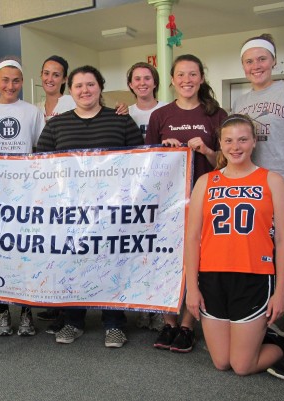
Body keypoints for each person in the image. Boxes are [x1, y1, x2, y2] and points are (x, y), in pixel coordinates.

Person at [37, 65, 143, 347]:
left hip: (112, 210)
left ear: (101, 87)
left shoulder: (121, 121)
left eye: (91, 84)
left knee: (112, 261)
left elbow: (141, 162)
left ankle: (114, 323)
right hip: (70, 212)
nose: (85, 90)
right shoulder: (57, 124)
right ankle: (73, 320)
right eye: (79, 86)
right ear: (70, 91)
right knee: (74, 262)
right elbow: (38, 165)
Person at [233, 33, 284, 380]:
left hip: (282, 191)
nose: (256, 66)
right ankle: (266, 329)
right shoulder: (241, 100)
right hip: (252, 196)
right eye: (249, 61)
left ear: (274, 61)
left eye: (261, 59)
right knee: (259, 265)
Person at [185, 114, 284, 375]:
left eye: (243, 139)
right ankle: (253, 336)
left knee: (242, 366)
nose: (236, 146)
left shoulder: (272, 181)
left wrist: (280, 292)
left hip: (254, 276)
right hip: (212, 277)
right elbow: (192, 236)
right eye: (229, 140)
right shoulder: (206, 182)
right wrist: (191, 288)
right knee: (222, 362)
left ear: (254, 142)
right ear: (220, 143)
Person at [146, 54, 227, 353]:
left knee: (197, 262)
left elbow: (228, 162)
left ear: (201, 78)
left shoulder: (216, 114)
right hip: (167, 203)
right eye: (181, 75)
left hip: (204, 199)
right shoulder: (160, 115)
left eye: (193, 74)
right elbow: (148, 162)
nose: (187, 80)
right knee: (166, 260)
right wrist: (164, 150)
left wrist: (205, 148)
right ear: (172, 79)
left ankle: (187, 325)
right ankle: (168, 321)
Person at [0, 56, 45, 337]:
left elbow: (42, 150)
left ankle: (26, 313)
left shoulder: (32, 112)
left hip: (25, 195)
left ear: (22, 82)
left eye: (16, 80)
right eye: (5, 80)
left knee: (25, 253)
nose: (10, 85)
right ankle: (3, 312)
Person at [126, 62, 168, 332]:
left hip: (163, 189)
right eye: (137, 79)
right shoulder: (123, 112)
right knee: (138, 251)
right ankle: (143, 306)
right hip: (134, 191)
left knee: (160, 250)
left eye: (147, 78)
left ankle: (160, 306)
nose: (142, 83)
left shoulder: (167, 110)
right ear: (130, 84)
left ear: (155, 82)